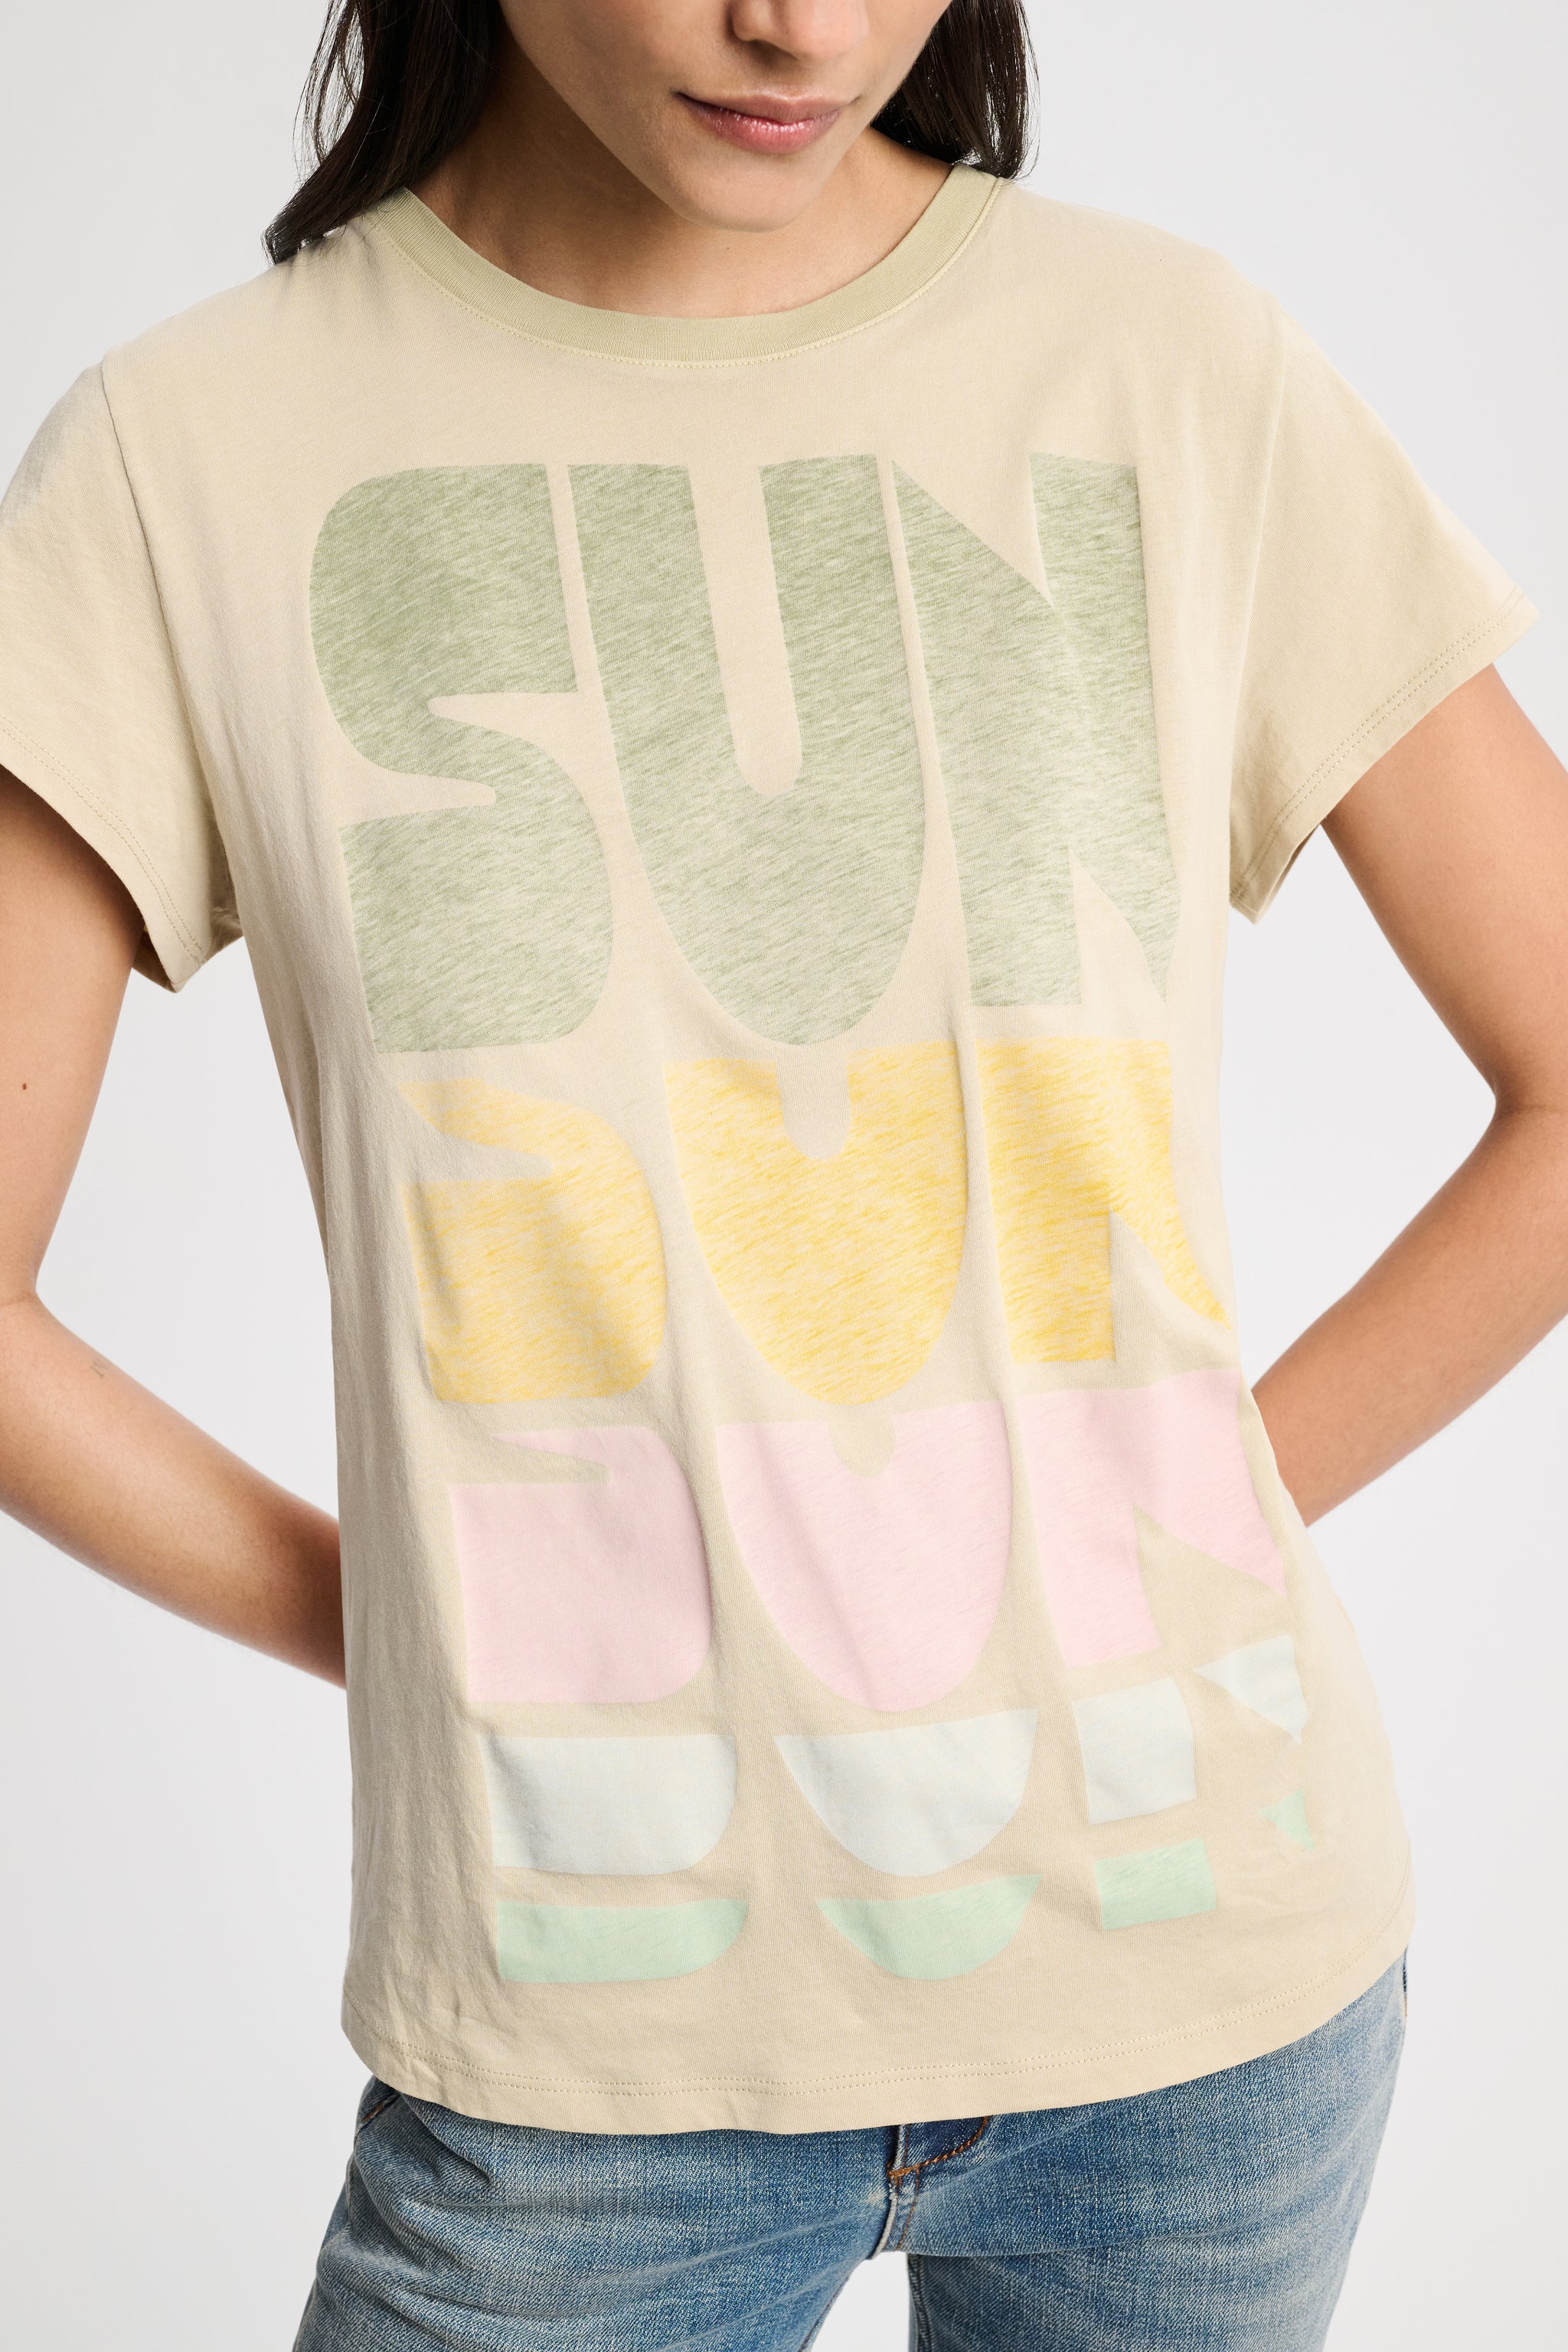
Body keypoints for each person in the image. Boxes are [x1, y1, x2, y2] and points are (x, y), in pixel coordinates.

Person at [1, 2, 1563, 2345]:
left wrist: (1187, 1509)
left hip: (1212, 2009)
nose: (802, 24)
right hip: (590, 2063)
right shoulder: (193, 455)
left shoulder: (1162, 364)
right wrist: (397, 1609)